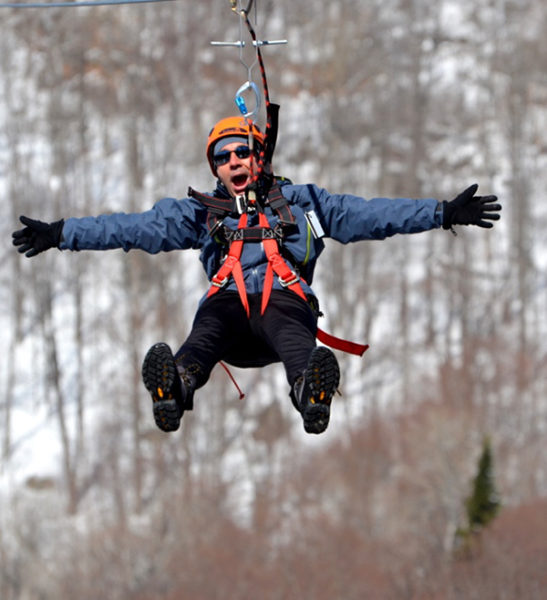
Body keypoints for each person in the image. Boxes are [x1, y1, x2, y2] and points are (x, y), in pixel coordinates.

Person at [12, 116, 501, 435]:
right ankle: (176, 387)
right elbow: (132, 228)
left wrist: (442, 213)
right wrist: (62, 233)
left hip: (282, 308)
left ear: (258, 157)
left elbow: (372, 215)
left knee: (293, 331)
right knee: (206, 331)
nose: (232, 164)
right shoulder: (200, 213)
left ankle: (310, 389)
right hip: (228, 313)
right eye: (222, 159)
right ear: (216, 170)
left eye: (239, 154)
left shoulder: (306, 203)